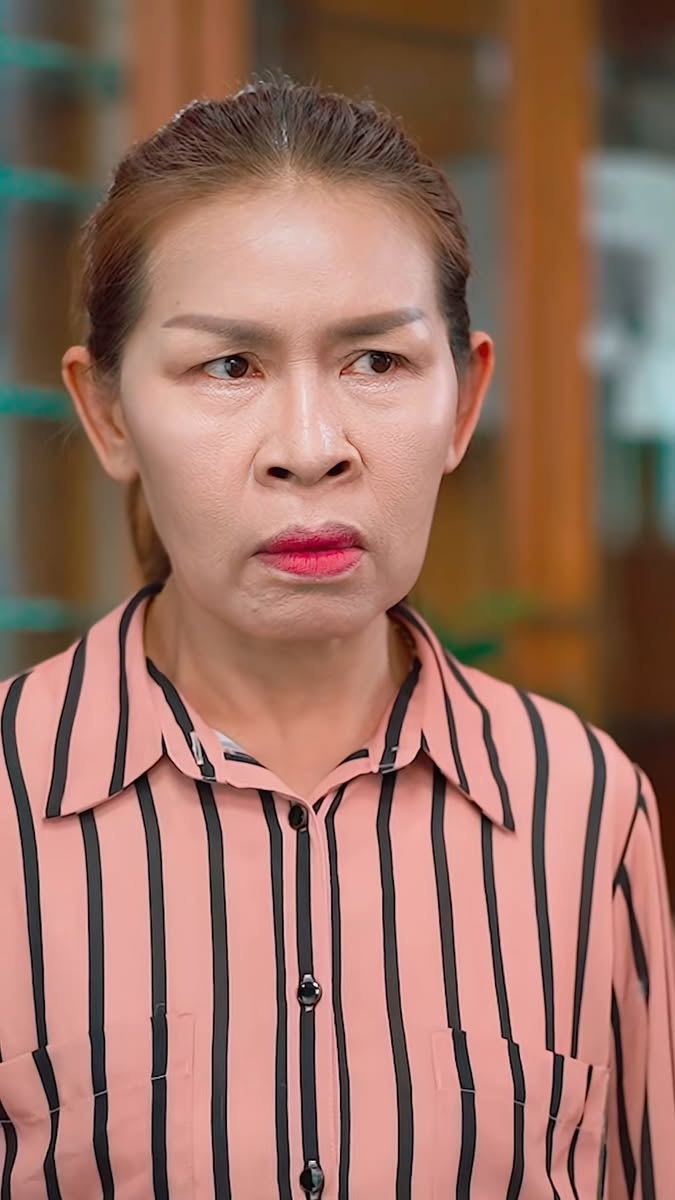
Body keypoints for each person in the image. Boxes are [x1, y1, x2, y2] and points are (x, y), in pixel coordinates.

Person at [0, 76, 673, 1200]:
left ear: (463, 402)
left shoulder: (586, 807)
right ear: (108, 414)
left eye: (377, 362)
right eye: (229, 366)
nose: (310, 447)